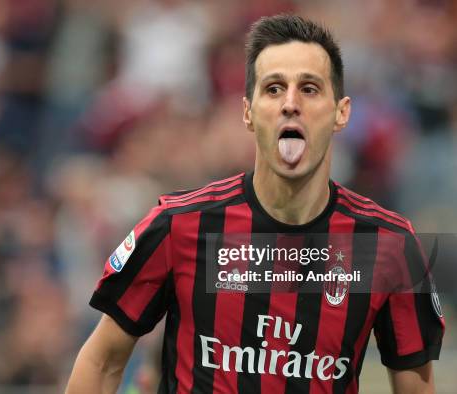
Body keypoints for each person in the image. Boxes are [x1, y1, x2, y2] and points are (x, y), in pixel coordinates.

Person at [66, 14, 444, 394]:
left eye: (309, 89)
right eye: (274, 88)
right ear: (248, 111)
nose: (290, 104)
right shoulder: (178, 225)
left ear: (341, 112)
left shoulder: (388, 245)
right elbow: (101, 363)